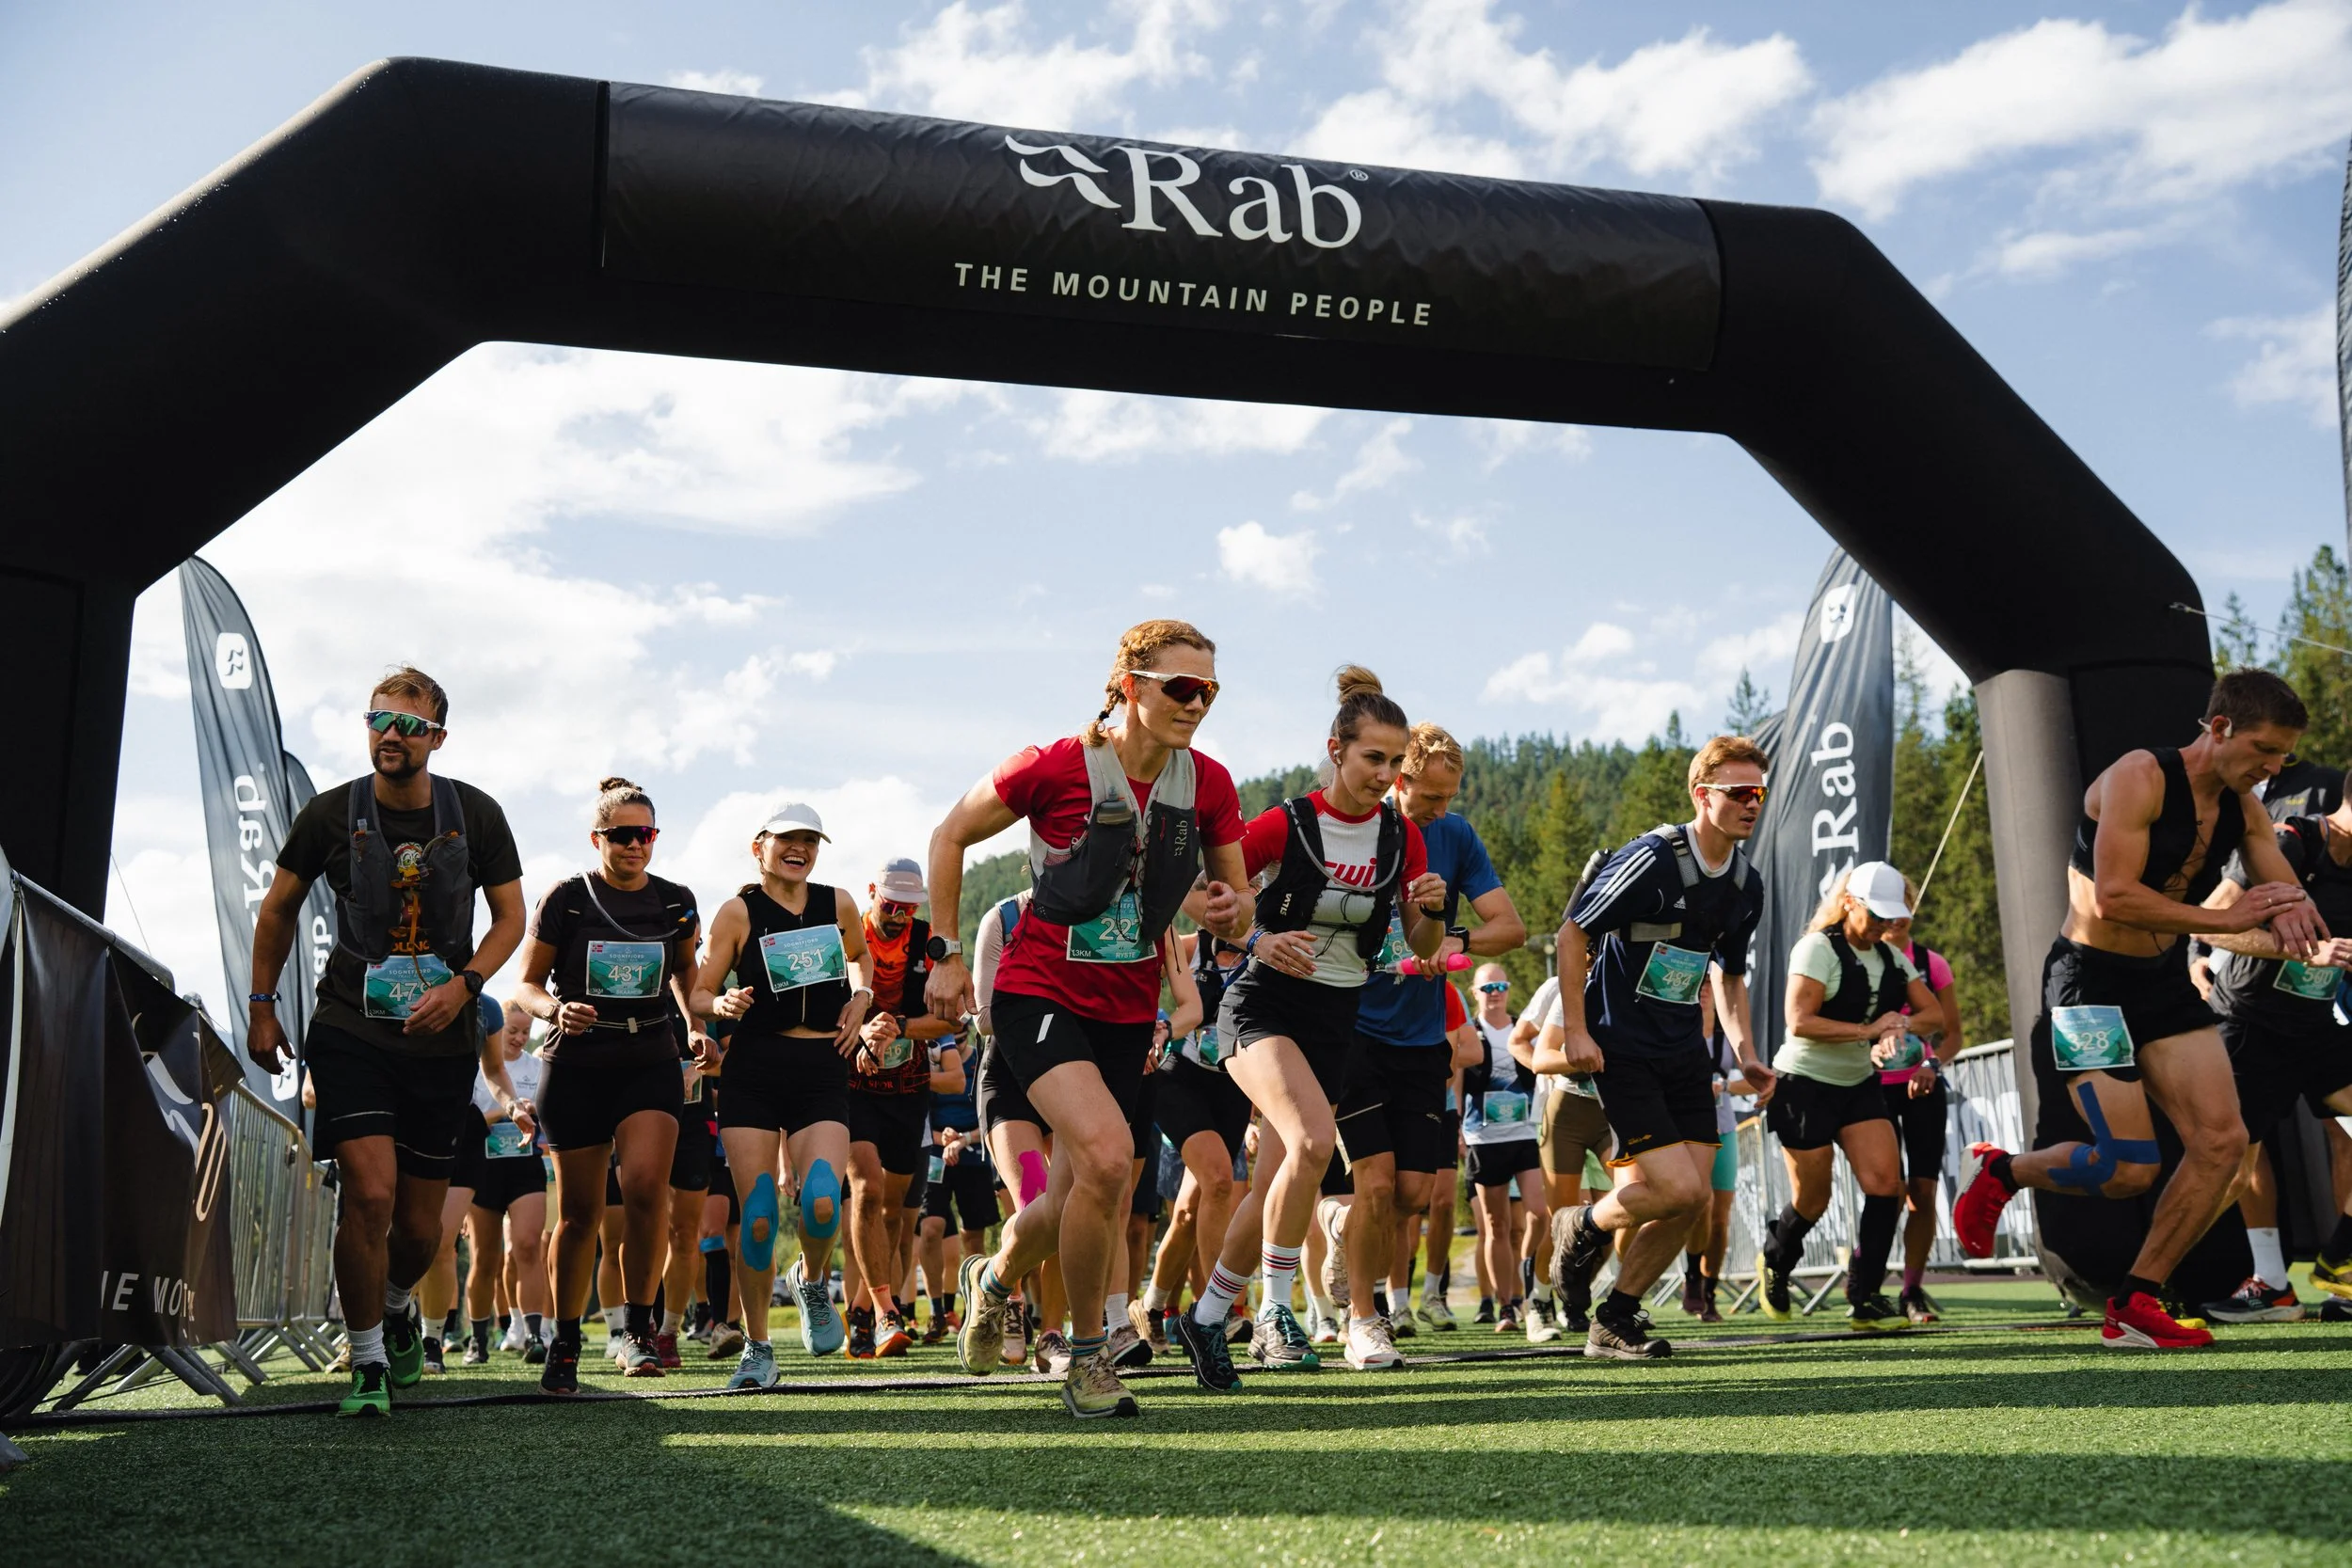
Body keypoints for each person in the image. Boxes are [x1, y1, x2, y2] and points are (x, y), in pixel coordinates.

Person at [927, 619, 1250, 1419]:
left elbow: (1237, 909)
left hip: (1128, 1008)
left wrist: (1225, 910)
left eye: (1210, 689)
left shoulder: (1208, 784)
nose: (1198, 703)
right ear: (1132, 685)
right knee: (1108, 1161)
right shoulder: (1054, 765)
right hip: (1037, 994)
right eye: (1183, 686)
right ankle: (1085, 1357)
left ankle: (994, 1277)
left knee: (1080, 1185)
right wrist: (944, 948)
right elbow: (950, 834)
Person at [1954, 672, 2325, 1350]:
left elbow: (2284, 885)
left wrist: (2308, 922)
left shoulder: (2246, 806)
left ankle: (2135, 1301)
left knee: (2223, 1142)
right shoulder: (2139, 777)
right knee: (2127, 1168)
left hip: (2160, 983)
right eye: (2267, 749)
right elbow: (2115, 897)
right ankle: (2004, 1170)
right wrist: (2229, 917)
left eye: (2285, 756)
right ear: (2219, 729)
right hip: (2087, 981)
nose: (2275, 767)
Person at [246, 667, 526, 1417]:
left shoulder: (477, 815)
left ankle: (398, 1302)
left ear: (437, 736)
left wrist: (463, 986)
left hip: (441, 1040)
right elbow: (277, 910)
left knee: (418, 1228)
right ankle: (367, 1358)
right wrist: (262, 1006)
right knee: (368, 1193)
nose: (390, 735)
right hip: (349, 1027)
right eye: (379, 720)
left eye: (408, 724)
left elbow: (510, 919)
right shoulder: (330, 814)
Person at [1176, 667, 1448, 1389]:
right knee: (1311, 1141)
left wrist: (1435, 907)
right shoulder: (1286, 823)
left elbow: (1422, 947)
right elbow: (1211, 891)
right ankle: (1274, 1311)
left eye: (1396, 763)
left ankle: (1205, 1317)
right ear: (1337, 749)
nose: (1385, 775)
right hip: (1261, 1006)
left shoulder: (1402, 837)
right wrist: (1255, 939)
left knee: (1273, 1187)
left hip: (1335, 1021)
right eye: (1372, 759)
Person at [1540, 735, 1776, 1361]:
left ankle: (1614, 1315)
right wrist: (1576, 1029)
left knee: (1691, 1199)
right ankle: (1579, 1224)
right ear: (1703, 795)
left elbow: (1727, 973)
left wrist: (1745, 1050)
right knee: (1677, 1189)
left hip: (1684, 1051)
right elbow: (1572, 933)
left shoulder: (1747, 885)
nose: (1754, 802)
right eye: (1739, 792)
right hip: (1621, 1045)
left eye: (1760, 791)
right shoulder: (1653, 859)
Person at [1335, 724, 1525, 1368]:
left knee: (1416, 1192)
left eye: (1450, 797)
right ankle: (1365, 1317)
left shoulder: (1456, 834)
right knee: (1377, 1182)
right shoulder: (1360, 825)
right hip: (1354, 1027)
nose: (1440, 810)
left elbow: (1511, 927)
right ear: (1398, 778)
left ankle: (1344, 1236)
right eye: (1430, 797)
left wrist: (1455, 945)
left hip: (1422, 1037)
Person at [508, 778, 705, 1389]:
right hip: (577, 1063)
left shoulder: (675, 901)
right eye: (622, 835)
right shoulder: (567, 898)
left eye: (645, 834)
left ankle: (640, 1332)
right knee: (581, 1214)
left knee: (648, 1191)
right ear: (598, 838)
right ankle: (564, 1340)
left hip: (649, 1056)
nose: (634, 844)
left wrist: (697, 1025)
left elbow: (686, 977)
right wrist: (552, 1012)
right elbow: (525, 984)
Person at [691, 802, 876, 1387]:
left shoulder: (838, 902)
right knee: (763, 1214)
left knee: (823, 1198)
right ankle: (757, 1347)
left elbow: (862, 960)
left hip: (822, 1063)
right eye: (787, 840)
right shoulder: (738, 912)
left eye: (810, 841)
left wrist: (862, 999)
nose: (800, 849)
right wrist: (720, 1006)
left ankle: (812, 1282)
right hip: (755, 1067)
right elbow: (698, 991)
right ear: (759, 848)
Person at [1756, 862, 1943, 1331]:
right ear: (1849, 904)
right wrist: (1870, 1029)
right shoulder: (1816, 949)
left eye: (1892, 917)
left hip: (1858, 1086)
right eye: (1876, 915)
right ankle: (1775, 1259)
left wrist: (1899, 1024)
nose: (1886, 925)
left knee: (1887, 1186)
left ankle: (1866, 1297)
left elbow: (1933, 1013)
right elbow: (1798, 1021)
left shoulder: (1891, 957)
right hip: (1803, 1086)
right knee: (1813, 1200)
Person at [2196, 779, 2352, 1320]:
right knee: (2238, 1160)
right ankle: (2268, 1283)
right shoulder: (2292, 842)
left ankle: (2341, 1261)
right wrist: (2309, 949)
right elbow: (2213, 924)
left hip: (2315, 1023)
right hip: (2248, 1020)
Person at [841, 857, 957, 1359]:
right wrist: (863, 1027)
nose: (898, 917)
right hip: (854, 1081)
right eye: (890, 906)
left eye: (908, 909)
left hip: (910, 1087)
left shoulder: (930, 941)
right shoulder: (846, 936)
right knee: (865, 1190)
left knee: (897, 1214)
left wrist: (897, 1027)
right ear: (871, 892)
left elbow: (948, 1019)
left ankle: (869, 1310)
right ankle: (878, 1313)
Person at [1136, 932, 1256, 1354]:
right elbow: (1137, 973)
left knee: (1188, 1212)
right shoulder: (1187, 946)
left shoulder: (1265, 946)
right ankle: (1214, 1313)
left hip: (1235, 1086)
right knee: (1221, 1182)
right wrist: (1152, 1029)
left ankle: (1149, 1308)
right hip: (1179, 1080)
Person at [1462, 964, 1556, 1343]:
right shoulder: (1469, 1032)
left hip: (1526, 1133)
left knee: (1539, 1213)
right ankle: (1505, 1305)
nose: (1495, 992)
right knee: (1495, 1225)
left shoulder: (1523, 1030)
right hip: (1483, 1137)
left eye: (1500, 985)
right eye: (1487, 987)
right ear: (1475, 992)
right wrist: (1456, 1129)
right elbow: (1455, 1077)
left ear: (1509, 989)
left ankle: (1532, 1289)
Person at [1883, 901, 1963, 1324]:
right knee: (1887, 1192)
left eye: (1903, 908)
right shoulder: (1861, 963)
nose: (1895, 918)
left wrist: (1932, 1065)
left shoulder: (1931, 963)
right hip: (1872, 1094)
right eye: (1887, 910)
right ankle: (1866, 1276)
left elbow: (1953, 1035)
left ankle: (1912, 1291)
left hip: (1924, 1090)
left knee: (1923, 1194)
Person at [466, 1001, 548, 1363]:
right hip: (483, 1169)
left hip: (525, 1166)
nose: (518, 1038)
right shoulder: (475, 1068)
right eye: (511, 1031)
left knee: (529, 1247)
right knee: (486, 1259)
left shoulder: (538, 1066)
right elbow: (467, 1125)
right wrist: (505, 1109)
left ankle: (533, 1336)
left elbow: (553, 1114)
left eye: (525, 1032)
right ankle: (478, 1340)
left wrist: (535, 1113)